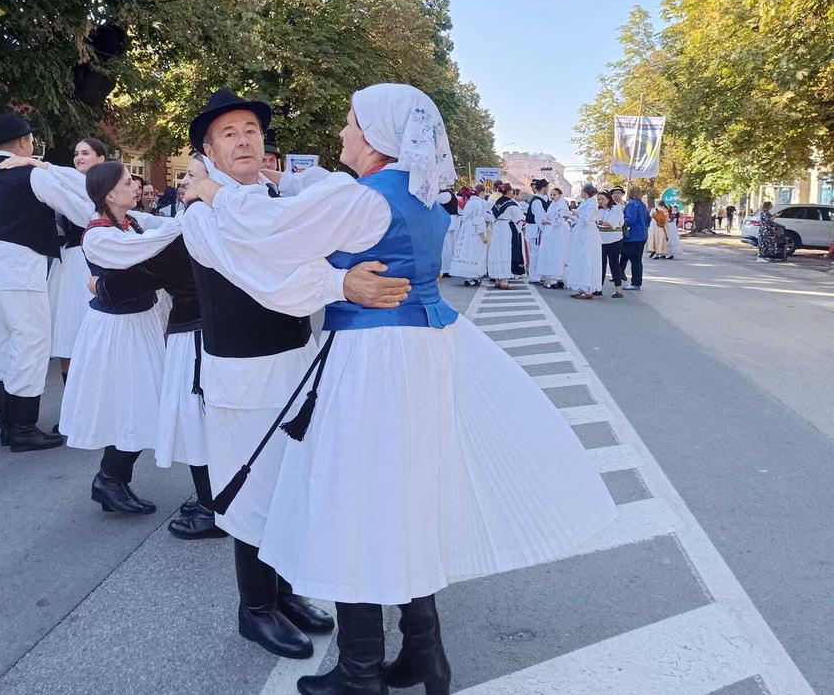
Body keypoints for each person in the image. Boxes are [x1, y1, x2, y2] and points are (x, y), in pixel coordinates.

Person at [182, 84, 615, 695]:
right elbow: (298, 208)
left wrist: (214, 191)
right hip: (422, 351)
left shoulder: (366, 199)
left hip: (377, 357)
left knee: (358, 501)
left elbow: (271, 231)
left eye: (350, 124)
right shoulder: (417, 192)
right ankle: (422, 656)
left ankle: (362, 673)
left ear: (378, 135)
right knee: (406, 499)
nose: (341, 136)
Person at [178, 88, 410, 660]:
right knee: (251, 490)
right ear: (207, 151)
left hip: (295, 363)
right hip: (242, 371)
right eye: (229, 133)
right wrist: (340, 285)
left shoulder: (277, 198)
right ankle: (254, 608)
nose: (244, 140)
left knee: (292, 486)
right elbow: (259, 274)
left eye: (251, 130)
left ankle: (283, 593)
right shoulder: (201, 211)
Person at [91, 156, 226, 539]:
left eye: (193, 176)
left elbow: (151, 271)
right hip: (179, 326)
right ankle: (210, 499)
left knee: (194, 416)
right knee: (186, 411)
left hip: (193, 330)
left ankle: (212, 506)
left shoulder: (193, 225)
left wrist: (101, 287)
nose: (184, 181)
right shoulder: (201, 221)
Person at [0, 110, 89, 452]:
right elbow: (82, 210)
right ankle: (24, 428)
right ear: (23, 142)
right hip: (14, 267)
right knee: (31, 341)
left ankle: (7, 426)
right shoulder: (32, 175)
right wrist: (45, 168)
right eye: (31, 139)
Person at [54, 160, 173, 514]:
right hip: (116, 329)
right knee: (133, 403)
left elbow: (159, 228)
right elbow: (150, 245)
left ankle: (114, 480)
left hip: (138, 322)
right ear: (108, 193)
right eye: (126, 182)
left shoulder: (130, 222)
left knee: (141, 404)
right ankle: (109, 480)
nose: (134, 186)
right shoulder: (98, 234)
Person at [47, 137, 108, 376]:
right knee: (67, 334)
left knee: (96, 335)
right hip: (69, 264)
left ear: (101, 159)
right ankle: (71, 401)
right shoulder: (63, 186)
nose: (79, 157)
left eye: (85, 153)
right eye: (76, 153)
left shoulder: (107, 188)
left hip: (95, 261)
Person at [449, 185, 490, 286]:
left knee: (467, 252)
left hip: (466, 231)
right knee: (475, 252)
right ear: (482, 192)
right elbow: (478, 219)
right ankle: (472, 277)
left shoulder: (471, 202)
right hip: (475, 233)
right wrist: (482, 236)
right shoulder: (479, 203)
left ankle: (471, 277)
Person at [567, 184, 602, 299]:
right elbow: (580, 219)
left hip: (587, 235)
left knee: (586, 260)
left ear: (585, 192)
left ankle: (587, 289)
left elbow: (586, 220)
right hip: (582, 233)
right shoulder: (587, 202)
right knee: (580, 260)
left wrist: (577, 213)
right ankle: (582, 287)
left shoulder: (592, 204)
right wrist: (570, 216)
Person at [487, 182, 524, 290]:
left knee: (497, 251)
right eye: (512, 190)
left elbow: (491, 215)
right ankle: (504, 281)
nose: (513, 192)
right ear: (508, 191)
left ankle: (498, 279)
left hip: (498, 227)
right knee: (506, 252)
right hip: (507, 228)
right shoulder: (511, 203)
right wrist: (520, 227)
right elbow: (519, 218)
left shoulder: (498, 201)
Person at [537, 185, 572, 289]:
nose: (552, 196)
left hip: (559, 233)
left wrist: (547, 221)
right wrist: (546, 220)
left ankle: (554, 280)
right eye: (551, 194)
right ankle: (558, 279)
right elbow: (548, 216)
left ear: (560, 195)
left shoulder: (562, 205)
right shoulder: (553, 204)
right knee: (553, 254)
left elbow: (559, 220)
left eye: (554, 194)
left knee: (557, 255)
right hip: (552, 232)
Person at [595, 189, 625, 298]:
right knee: (600, 264)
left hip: (614, 239)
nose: (600, 201)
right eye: (598, 199)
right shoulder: (598, 210)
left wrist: (597, 222)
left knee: (614, 264)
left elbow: (612, 223)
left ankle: (618, 289)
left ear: (608, 199)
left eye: (602, 199)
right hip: (601, 239)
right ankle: (598, 288)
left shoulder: (615, 209)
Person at [620, 186, 649, 291]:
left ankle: (635, 283)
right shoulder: (642, 205)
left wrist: (620, 220)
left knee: (635, 261)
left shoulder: (632, 204)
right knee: (637, 260)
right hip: (642, 235)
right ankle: (637, 282)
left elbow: (630, 219)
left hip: (632, 236)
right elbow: (648, 220)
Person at [525, 179, 550, 284]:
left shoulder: (542, 199)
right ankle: (534, 277)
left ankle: (537, 275)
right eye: (547, 188)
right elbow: (540, 217)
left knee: (538, 253)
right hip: (536, 230)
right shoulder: (537, 201)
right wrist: (547, 230)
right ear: (543, 188)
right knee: (535, 253)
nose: (548, 190)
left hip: (537, 229)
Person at [436, 186, 460, 276]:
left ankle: (446, 269)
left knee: (446, 247)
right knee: (450, 246)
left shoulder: (444, 195)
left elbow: (432, 201)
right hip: (453, 221)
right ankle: (449, 267)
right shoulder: (451, 194)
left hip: (447, 221)